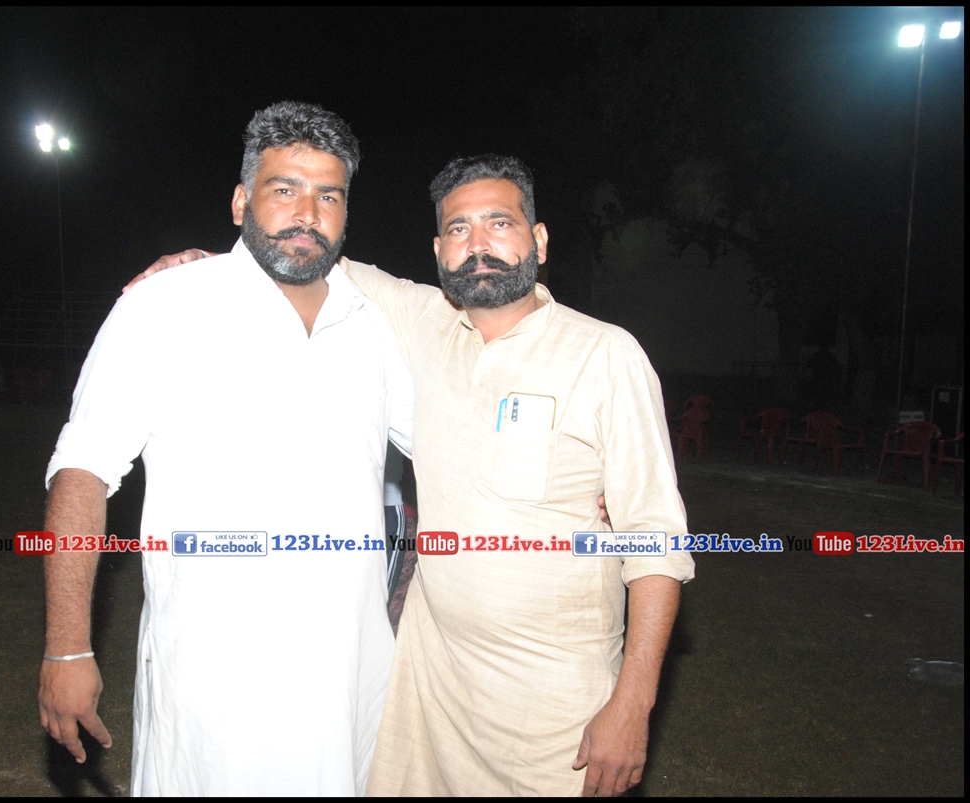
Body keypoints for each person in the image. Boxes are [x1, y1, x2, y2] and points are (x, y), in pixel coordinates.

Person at [136, 155, 693, 797]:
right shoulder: (423, 323)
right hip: (431, 687)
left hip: (553, 705)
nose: (478, 245)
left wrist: (633, 704)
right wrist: (206, 265)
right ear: (438, 250)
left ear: (538, 241)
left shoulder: (605, 355)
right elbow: (300, 251)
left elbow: (656, 540)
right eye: (458, 229)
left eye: (499, 224)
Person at [38, 101, 413, 796]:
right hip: (210, 697)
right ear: (242, 201)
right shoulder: (165, 306)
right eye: (285, 189)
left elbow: (456, 447)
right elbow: (82, 471)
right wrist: (67, 646)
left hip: (349, 687)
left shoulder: (377, 323)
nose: (308, 213)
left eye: (329, 196)